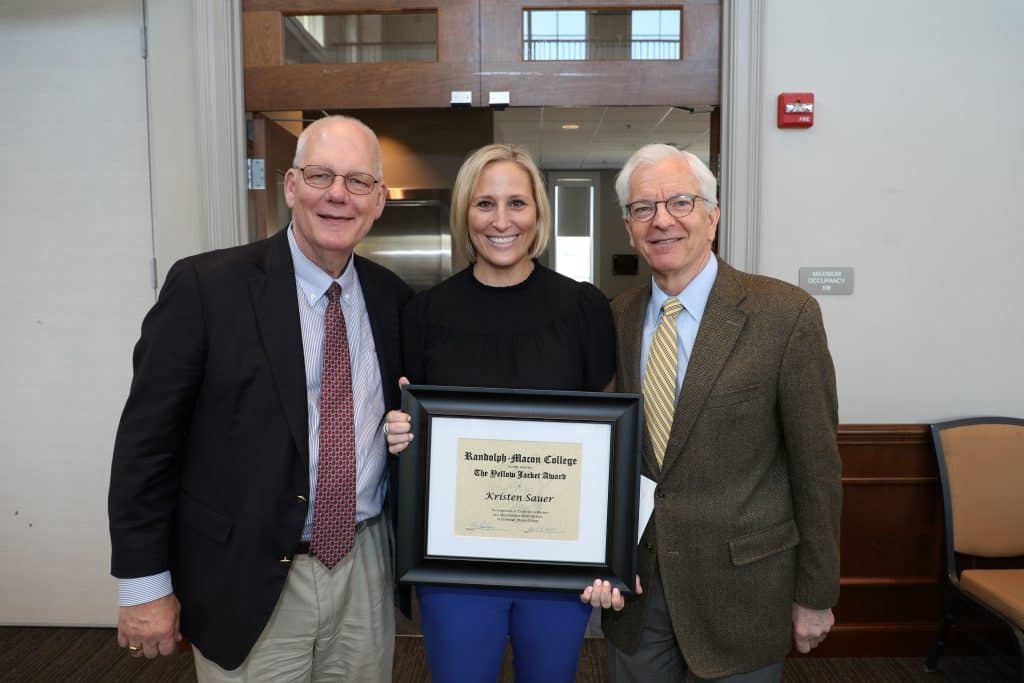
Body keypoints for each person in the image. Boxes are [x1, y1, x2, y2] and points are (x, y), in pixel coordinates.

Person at [108, 115, 413, 681]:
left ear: (378, 202)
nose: (338, 196)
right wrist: (144, 584)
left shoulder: (394, 299)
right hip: (246, 571)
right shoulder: (207, 288)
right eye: (320, 176)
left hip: (364, 563)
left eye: (357, 182)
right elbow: (146, 446)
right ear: (291, 186)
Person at [598, 144, 841, 682]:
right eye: (643, 209)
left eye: (680, 202)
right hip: (639, 593)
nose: (662, 220)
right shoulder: (613, 318)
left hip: (744, 592)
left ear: (713, 215)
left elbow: (817, 469)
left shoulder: (785, 314)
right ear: (628, 228)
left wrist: (816, 594)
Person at [384, 143, 616, 682]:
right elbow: (411, 427)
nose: (502, 220)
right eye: (485, 204)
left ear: (539, 213)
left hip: (558, 563)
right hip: (454, 565)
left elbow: (606, 441)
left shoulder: (584, 310)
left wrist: (603, 554)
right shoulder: (422, 315)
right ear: (465, 213)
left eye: (517, 203)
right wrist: (398, 431)